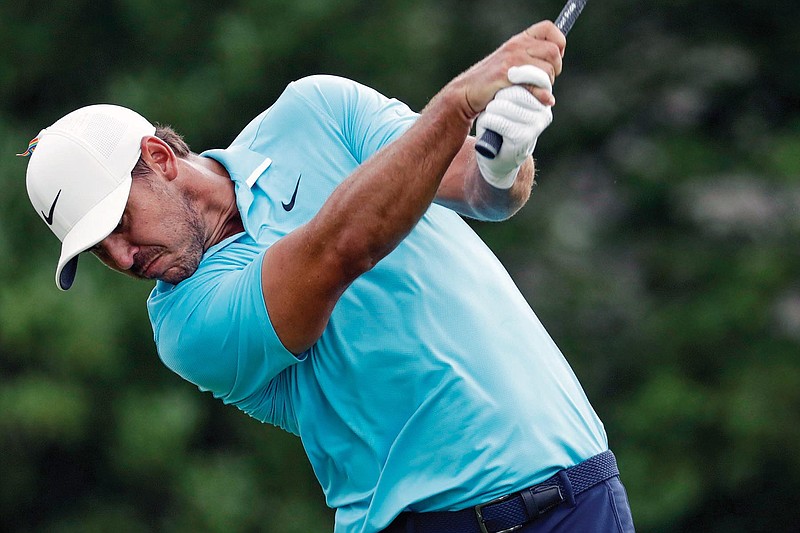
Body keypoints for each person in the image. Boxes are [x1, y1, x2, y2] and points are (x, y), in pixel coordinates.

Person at [21, 20, 634, 533]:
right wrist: (455, 105)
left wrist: (503, 155)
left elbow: (484, 191)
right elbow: (341, 249)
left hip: (582, 496)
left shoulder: (317, 110)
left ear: (158, 159)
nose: (125, 258)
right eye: (99, 251)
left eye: (120, 223)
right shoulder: (185, 323)